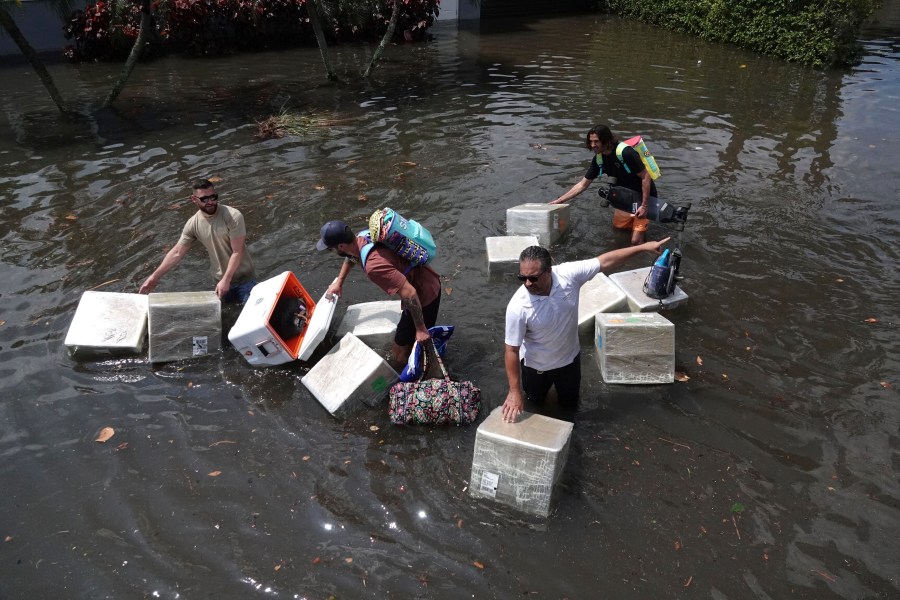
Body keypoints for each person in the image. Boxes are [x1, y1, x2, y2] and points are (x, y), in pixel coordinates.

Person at [502, 237, 670, 423]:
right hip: (536, 368)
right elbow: (511, 350)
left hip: (569, 362)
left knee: (570, 407)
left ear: (548, 271)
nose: (527, 283)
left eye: (533, 278)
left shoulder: (569, 275)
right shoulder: (518, 306)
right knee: (537, 406)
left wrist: (644, 247)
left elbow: (605, 261)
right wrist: (514, 391)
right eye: (522, 278)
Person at [317, 219, 441, 364]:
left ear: (341, 246)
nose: (333, 252)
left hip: (424, 295)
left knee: (401, 351)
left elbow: (410, 293)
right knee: (408, 342)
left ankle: (421, 372)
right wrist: (339, 282)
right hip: (427, 278)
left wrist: (420, 328)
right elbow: (351, 258)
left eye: (331, 249)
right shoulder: (363, 236)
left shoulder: (373, 266)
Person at [139, 179, 257, 304]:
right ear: (194, 199)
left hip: (245, 280)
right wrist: (154, 277)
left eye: (213, 197)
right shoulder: (193, 224)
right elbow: (177, 252)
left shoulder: (233, 216)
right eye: (204, 199)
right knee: (226, 318)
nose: (210, 202)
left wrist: (226, 280)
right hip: (219, 280)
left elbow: (237, 251)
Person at [549, 124, 658, 245]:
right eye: (591, 141)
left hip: (642, 199)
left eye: (596, 141)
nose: (592, 145)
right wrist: (560, 200)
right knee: (620, 234)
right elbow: (583, 184)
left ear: (606, 140)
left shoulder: (626, 153)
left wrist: (645, 206)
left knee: (635, 241)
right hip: (625, 200)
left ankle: (645, 253)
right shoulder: (599, 159)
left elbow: (646, 176)